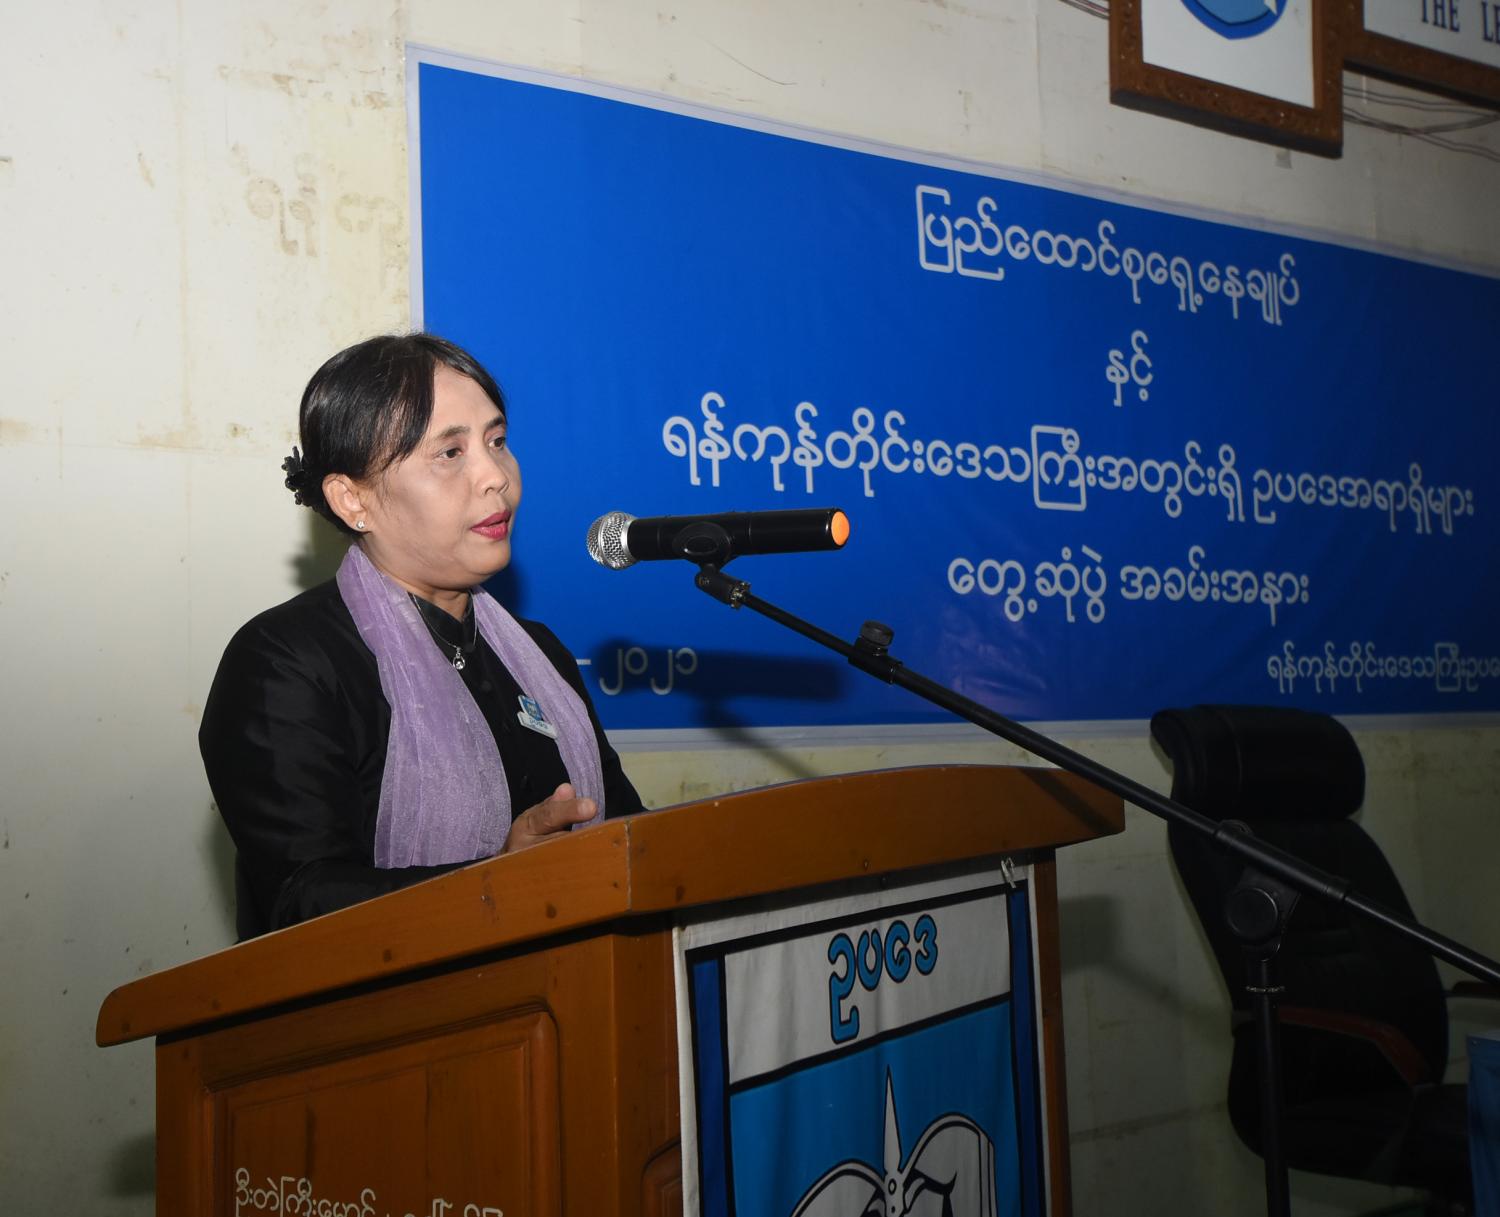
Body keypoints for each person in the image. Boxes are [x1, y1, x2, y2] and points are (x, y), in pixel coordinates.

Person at [200, 333, 643, 938]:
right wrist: (496, 886)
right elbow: (303, 900)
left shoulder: (540, 653)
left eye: (497, 441)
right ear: (352, 499)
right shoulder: (285, 662)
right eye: (450, 453)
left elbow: (626, 831)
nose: (496, 476)